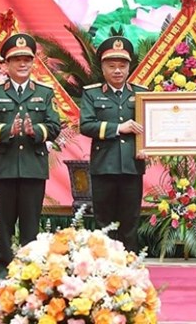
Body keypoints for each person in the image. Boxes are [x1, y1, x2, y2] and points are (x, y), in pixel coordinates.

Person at [0, 33, 61, 291]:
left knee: (30, 225)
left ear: (33, 62)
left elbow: (54, 126)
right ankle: (3, 274)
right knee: (3, 224)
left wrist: (35, 131)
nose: (22, 64)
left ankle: (29, 274)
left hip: (33, 167)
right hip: (4, 168)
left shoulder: (44, 93)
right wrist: (7, 131)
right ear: (7, 63)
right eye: (17, 60)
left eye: (27, 59)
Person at [80, 36, 147, 253]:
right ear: (103, 68)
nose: (117, 71)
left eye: (122, 66)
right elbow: (86, 125)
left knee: (130, 222)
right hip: (104, 167)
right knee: (103, 222)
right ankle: (102, 269)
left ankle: (131, 271)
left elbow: (152, 127)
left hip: (132, 166)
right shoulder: (92, 93)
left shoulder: (142, 94)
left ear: (129, 67)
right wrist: (118, 128)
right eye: (112, 66)